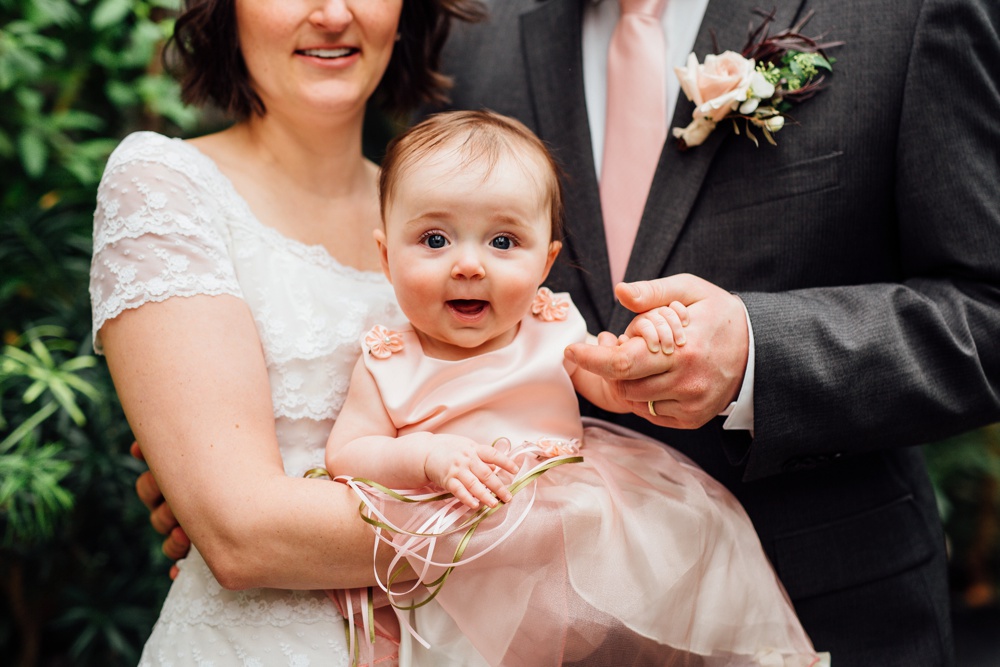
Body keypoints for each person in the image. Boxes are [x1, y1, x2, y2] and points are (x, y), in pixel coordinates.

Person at [432, 0, 1000, 665]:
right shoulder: (476, 34)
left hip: (826, 608)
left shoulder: (905, 14)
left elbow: (984, 307)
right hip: (536, 630)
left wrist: (758, 353)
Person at [325, 109, 827, 667]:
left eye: (503, 240)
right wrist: (423, 456)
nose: (469, 265)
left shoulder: (552, 323)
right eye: (435, 239)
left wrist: (636, 354)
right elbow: (347, 454)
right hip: (456, 561)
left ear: (546, 260)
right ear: (386, 255)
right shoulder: (389, 360)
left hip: (571, 538)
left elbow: (605, 384)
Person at [90, 0, 484, 664]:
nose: (332, 14)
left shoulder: (456, 222)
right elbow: (245, 532)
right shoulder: (164, 185)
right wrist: (536, 523)